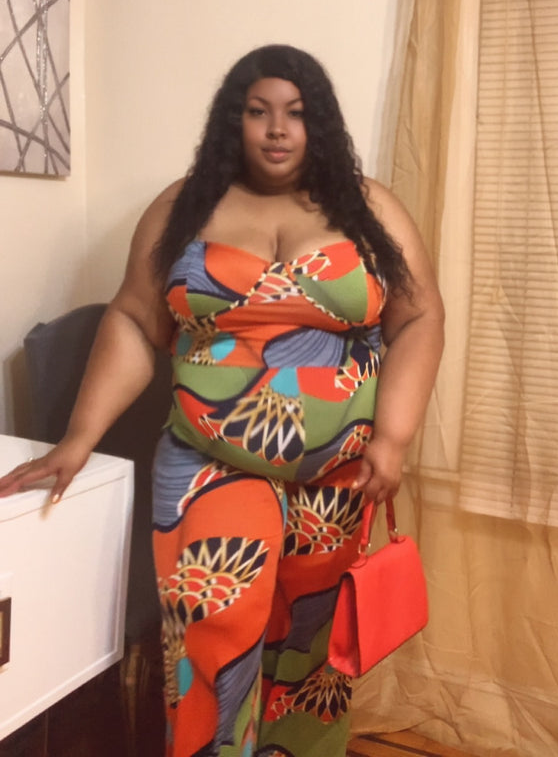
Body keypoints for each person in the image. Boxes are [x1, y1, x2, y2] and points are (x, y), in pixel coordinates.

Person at [0, 45, 444, 757]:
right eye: (258, 111)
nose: (277, 129)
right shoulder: (184, 207)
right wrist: (78, 438)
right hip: (208, 465)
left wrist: (392, 438)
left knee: (309, 659)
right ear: (232, 120)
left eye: (296, 113)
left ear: (320, 122)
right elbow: (134, 320)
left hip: (339, 479)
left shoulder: (369, 207)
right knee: (210, 648)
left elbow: (419, 317)